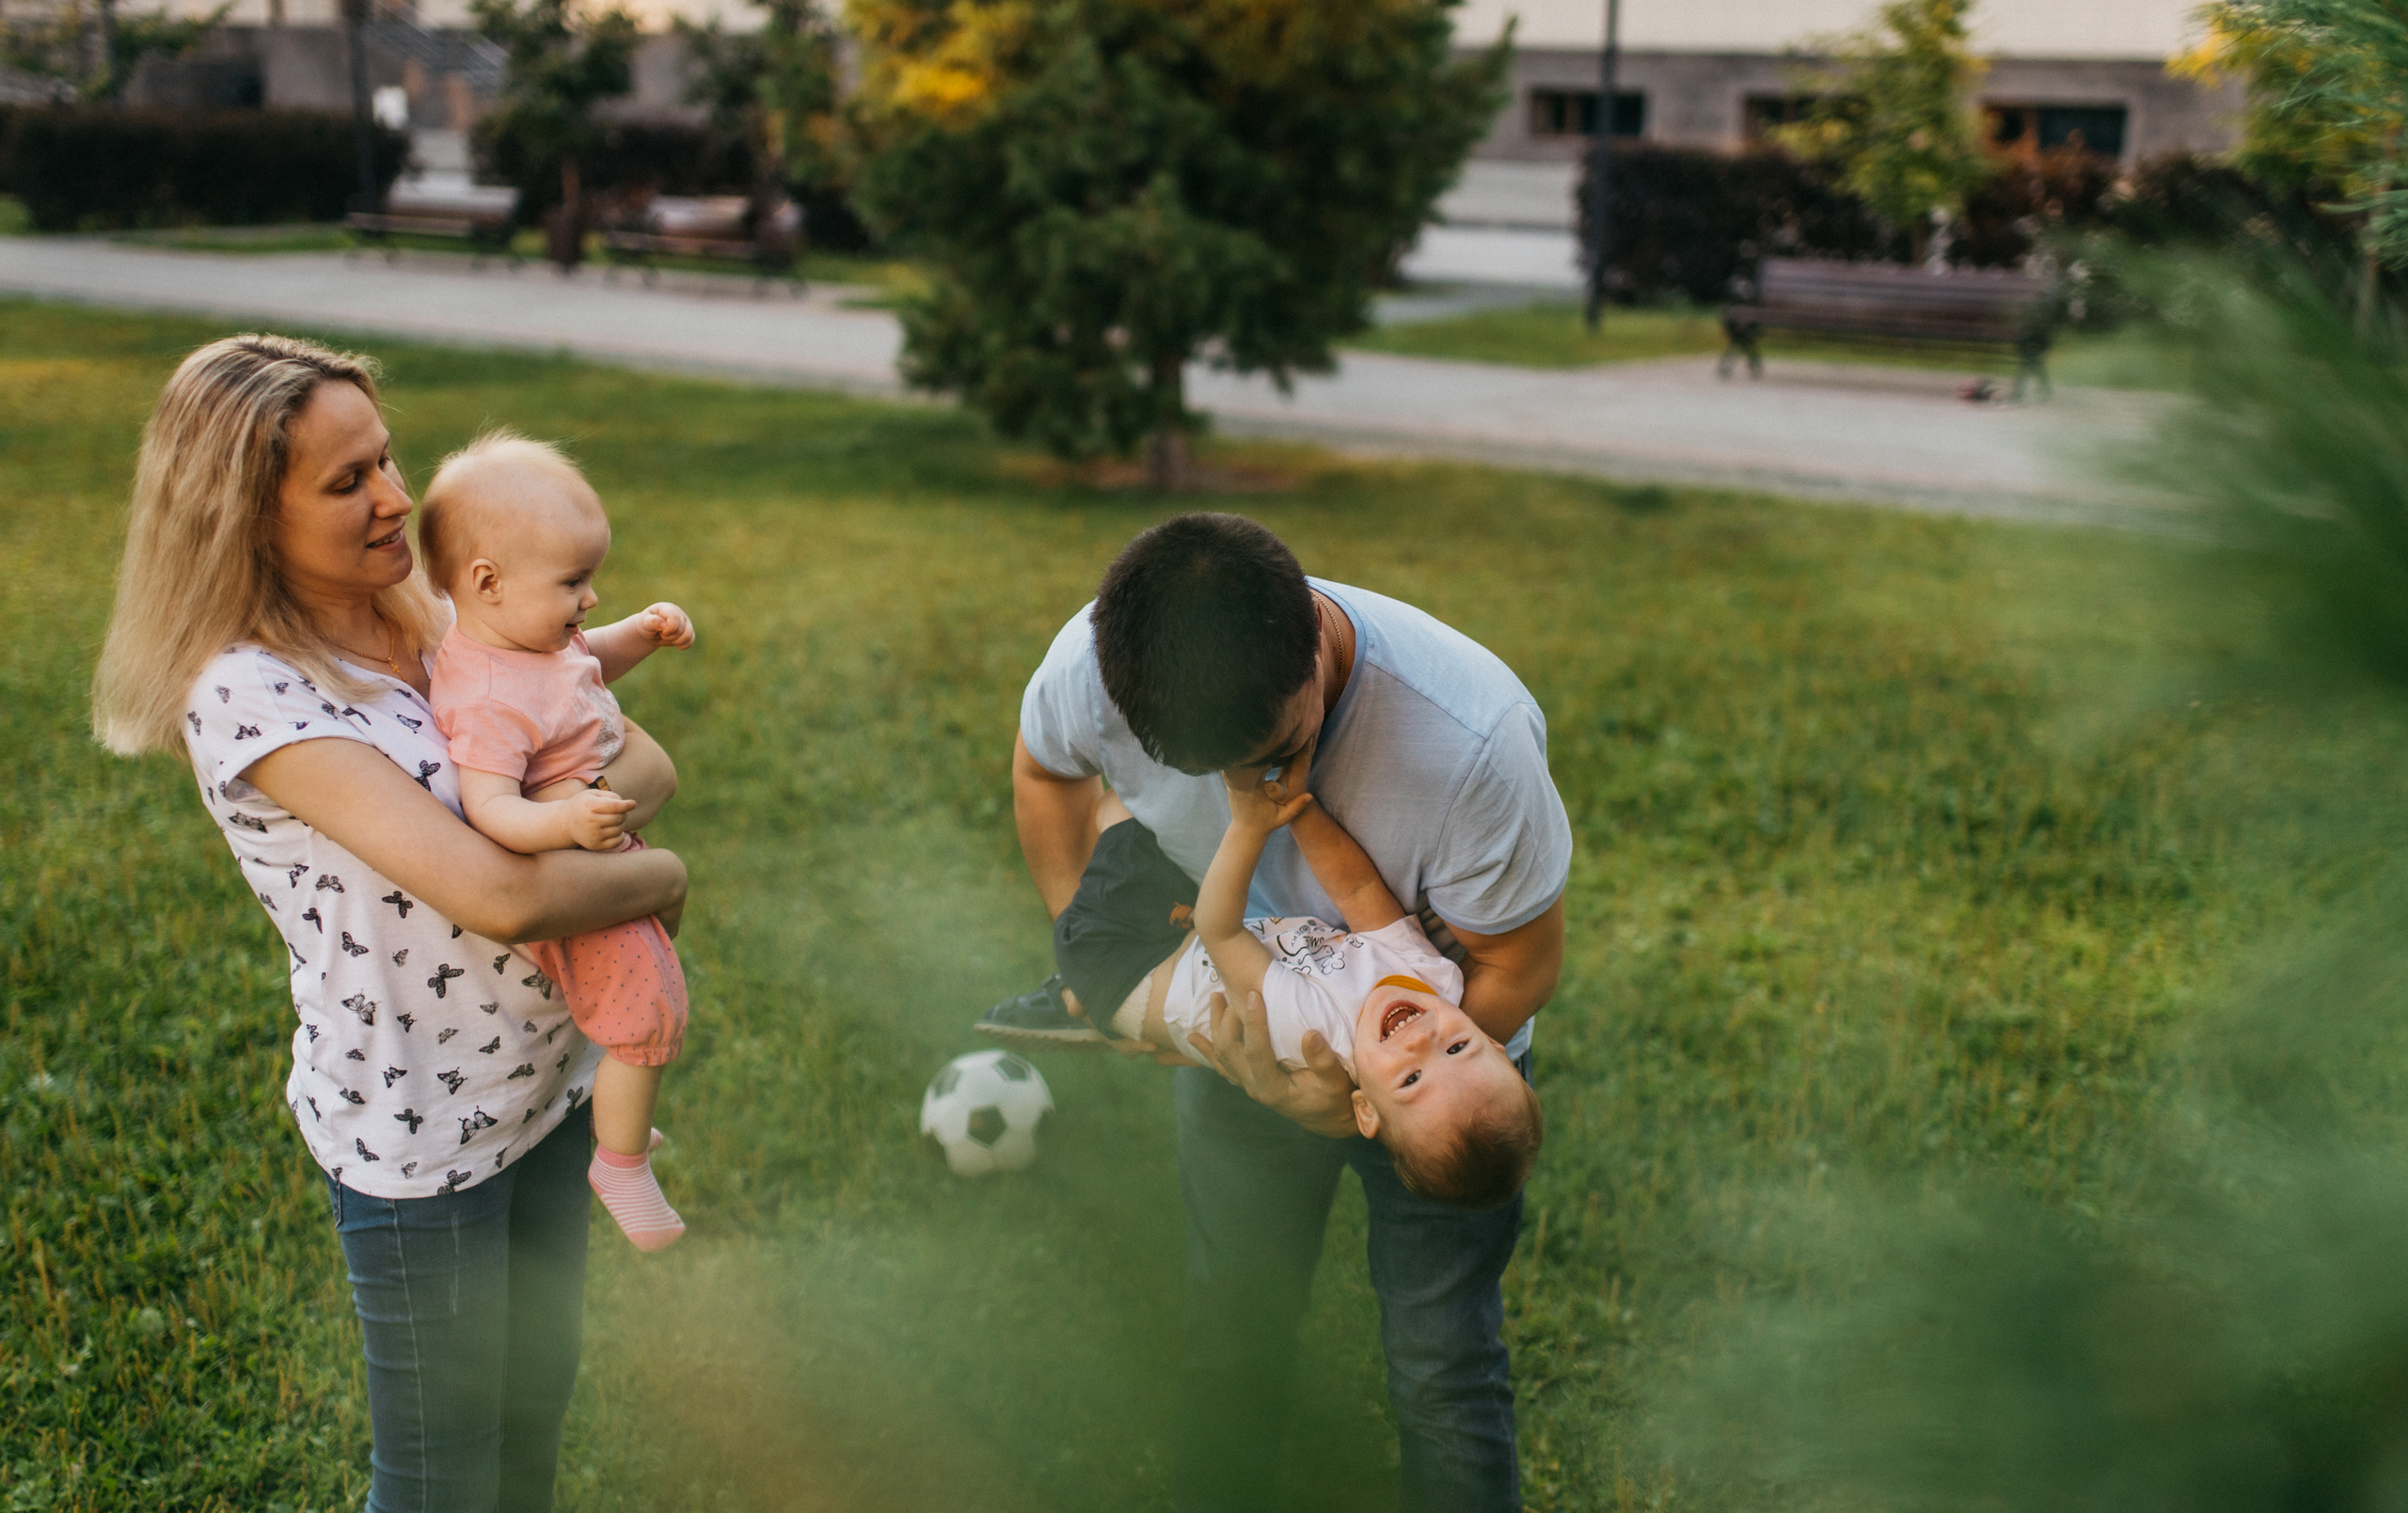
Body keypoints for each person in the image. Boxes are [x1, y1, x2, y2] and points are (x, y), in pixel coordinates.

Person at [89, 334, 689, 1513]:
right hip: (423, 1132)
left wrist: (602, 810)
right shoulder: (250, 691)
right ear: (243, 516)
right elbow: (503, 891)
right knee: (438, 1478)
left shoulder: (422, 608)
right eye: (347, 479)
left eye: (387, 457)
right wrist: (657, 881)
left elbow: (645, 759)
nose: (399, 499)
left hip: (548, 1085)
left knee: (533, 1410)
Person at [985, 512, 1572, 1511]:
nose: (1242, 787)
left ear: (1310, 638)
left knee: (1438, 1369)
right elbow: (1045, 770)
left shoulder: (1472, 739)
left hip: (1439, 1093)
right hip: (1247, 1049)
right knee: (1233, 1331)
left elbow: (1516, 965)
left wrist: (1371, 1076)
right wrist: (1098, 959)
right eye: (1208, 767)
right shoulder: (1094, 665)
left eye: (1273, 752)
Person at [980, 757, 1544, 1210]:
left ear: (1365, 1112)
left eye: (1412, 1077)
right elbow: (1359, 892)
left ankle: (1081, 998)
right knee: (1162, 823)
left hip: (1125, 962)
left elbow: (1220, 930)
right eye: (1458, 1046)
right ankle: (1084, 1000)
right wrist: (1299, 809)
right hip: (1187, 947)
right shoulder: (1435, 980)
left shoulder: (1315, 1033)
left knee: (1125, 810)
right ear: (1492, 1041)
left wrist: (1252, 826)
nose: (1421, 1040)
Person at [419, 433, 697, 1252]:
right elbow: (493, 809)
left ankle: (622, 1126)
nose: (591, 598)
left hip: (603, 850)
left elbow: (586, 667)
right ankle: (620, 1161)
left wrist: (643, 633)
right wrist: (568, 821)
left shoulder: (532, 639)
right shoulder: (486, 697)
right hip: (567, 872)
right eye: (574, 582)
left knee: (645, 985)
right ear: (487, 583)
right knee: (649, 1011)